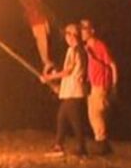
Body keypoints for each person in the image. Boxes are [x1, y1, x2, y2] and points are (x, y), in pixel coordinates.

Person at [41, 23, 88, 157]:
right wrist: (55, 80)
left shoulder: (75, 50)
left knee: (75, 121)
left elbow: (68, 71)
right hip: (70, 91)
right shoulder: (74, 50)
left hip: (74, 92)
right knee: (62, 117)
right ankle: (59, 145)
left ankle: (80, 148)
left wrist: (50, 76)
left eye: (67, 34)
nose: (66, 37)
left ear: (73, 36)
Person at [81, 19, 118, 154]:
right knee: (94, 114)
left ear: (92, 31)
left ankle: (102, 144)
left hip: (101, 84)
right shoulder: (87, 47)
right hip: (93, 84)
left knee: (95, 113)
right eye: (82, 29)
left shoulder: (99, 46)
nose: (83, 32)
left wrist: (114, 85)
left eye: (85, 29)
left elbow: (112, 64)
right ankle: (104, 144)